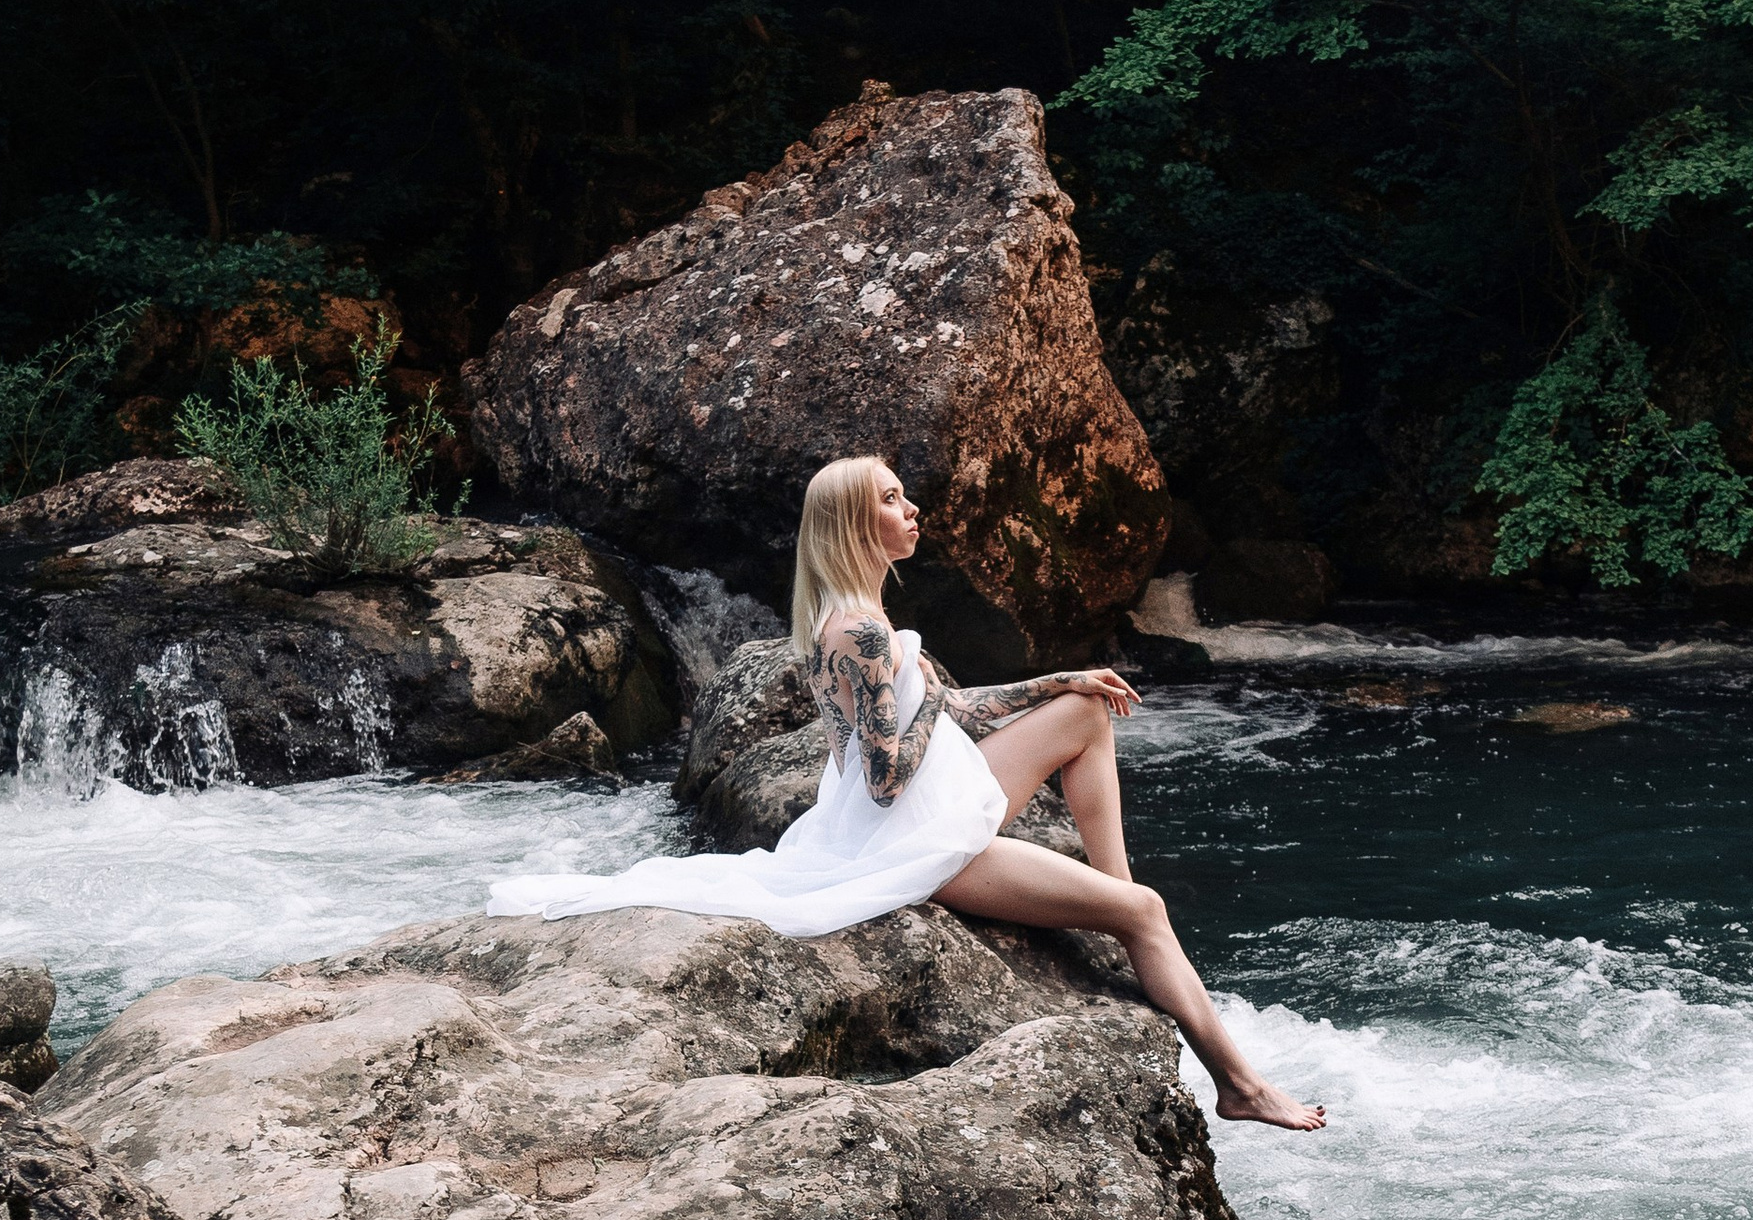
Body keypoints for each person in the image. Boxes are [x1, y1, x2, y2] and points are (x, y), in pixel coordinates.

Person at [486, 452, 1325, 1130]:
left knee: (1085, 712)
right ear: (858, 523)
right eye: (893, 499)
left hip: (935, 796)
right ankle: (1240, 1082)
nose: (911, 508)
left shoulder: (863, 616)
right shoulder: (858, 630)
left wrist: (1058, 677)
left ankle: (1112, 891)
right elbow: (889, 775)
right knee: (1145, 912)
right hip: (912, 838)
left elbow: (950, 709)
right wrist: (910, 674)